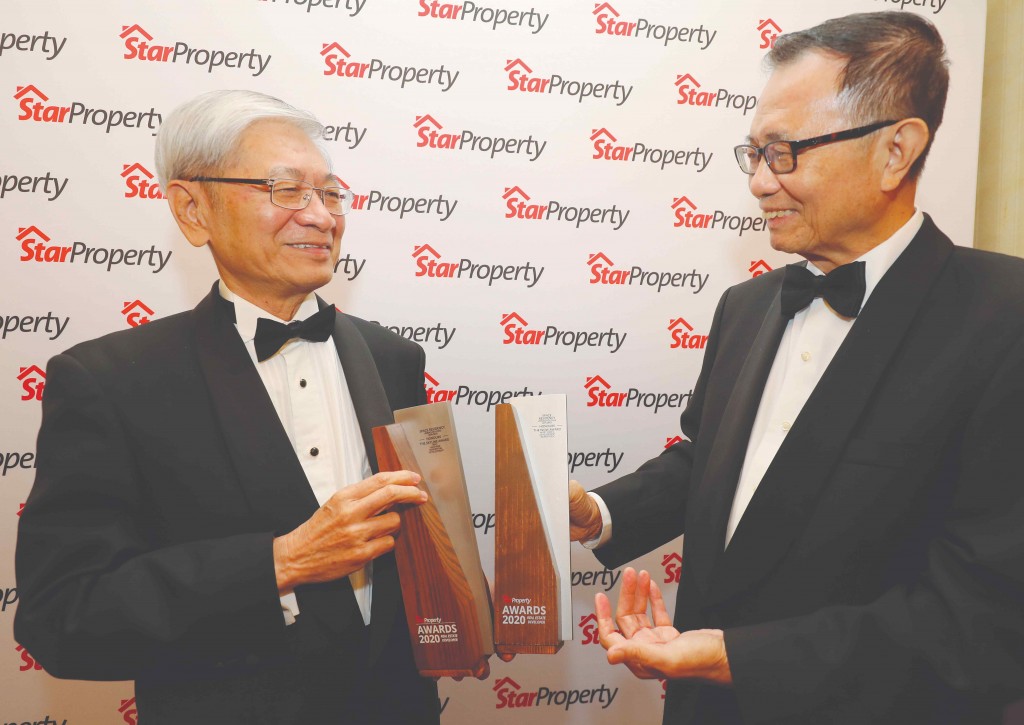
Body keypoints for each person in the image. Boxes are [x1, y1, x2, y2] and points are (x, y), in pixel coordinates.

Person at [569, 12, 1024, 724]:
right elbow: (711, 460)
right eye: (752, 153)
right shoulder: (745, 306)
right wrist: (598, 512)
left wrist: (736, 658)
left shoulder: (1004, 319)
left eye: (783, 153)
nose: (758, 182)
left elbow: (983, 621)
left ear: (896, 150)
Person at [14, 90, 442, 724]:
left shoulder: (395, 358)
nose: (320, 216)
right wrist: (279, 564)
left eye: (330, 193)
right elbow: (63, 617)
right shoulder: (110, 381)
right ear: (193, 210)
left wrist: (457, 621)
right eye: (285, 190)